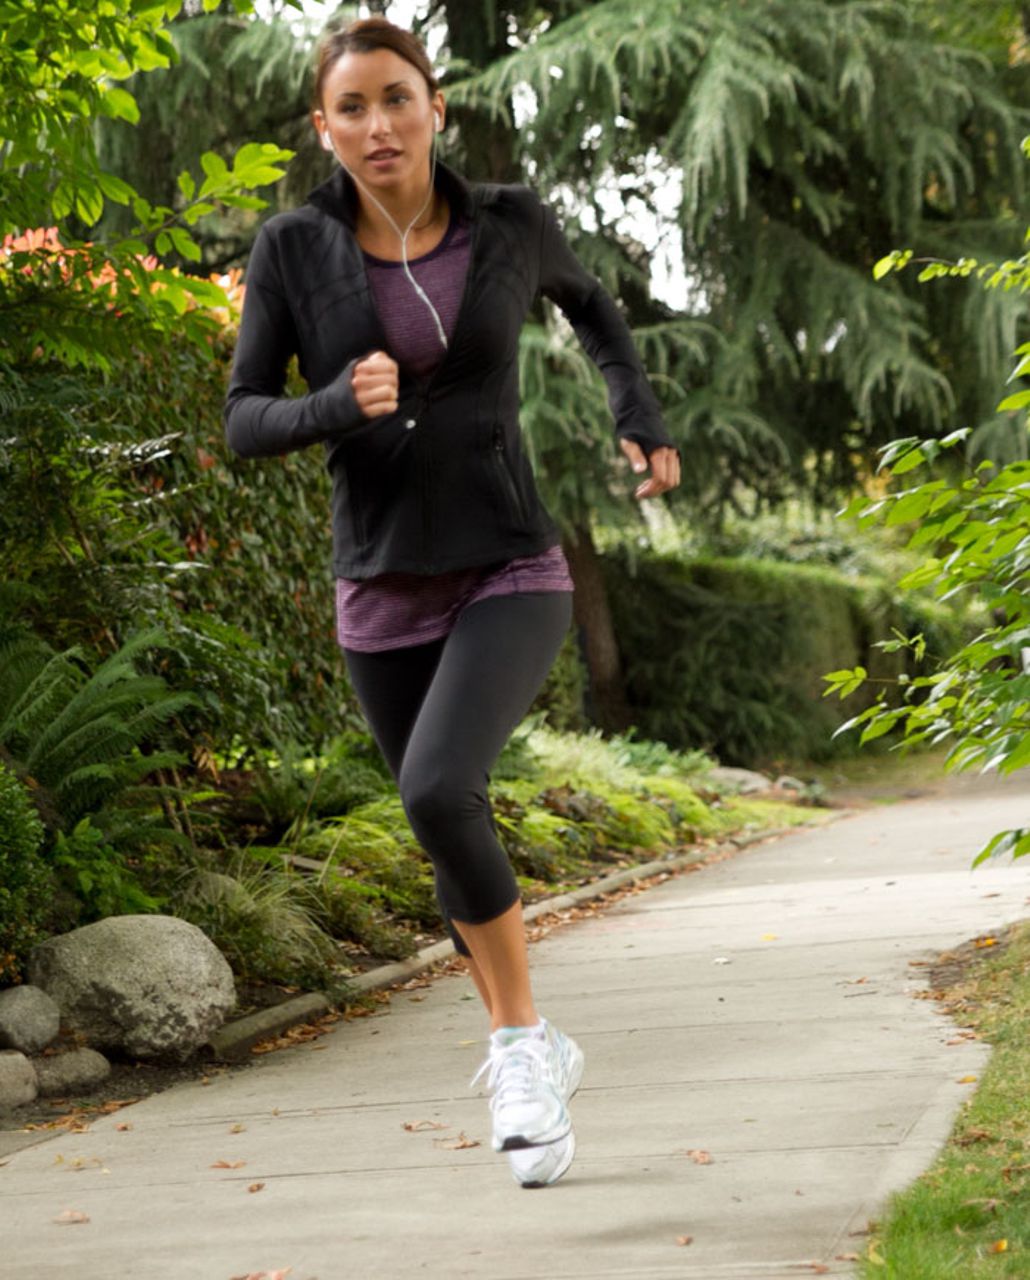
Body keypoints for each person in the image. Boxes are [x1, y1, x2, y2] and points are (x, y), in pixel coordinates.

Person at [223, 15, 680, 1189]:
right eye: (353, 108)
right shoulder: (291, 249)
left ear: (435, 107)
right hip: (377, 577)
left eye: (397, 98)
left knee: (437, 785)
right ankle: (528, 1050)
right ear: (324, 130)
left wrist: (638, 412)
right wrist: (331, 402)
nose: (379, 125)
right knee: (438, 825)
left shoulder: (510, 223)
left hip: (509, 561)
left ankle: (521, 1044)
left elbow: (593, 309)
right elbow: (241, 423)